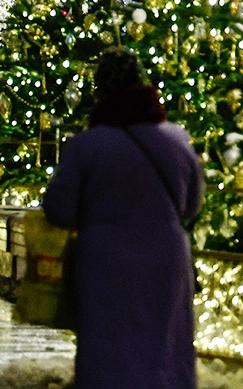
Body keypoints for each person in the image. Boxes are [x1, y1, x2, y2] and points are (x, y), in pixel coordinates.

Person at [42, 47, 204, 389]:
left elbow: (59, 209)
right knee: (165, 351)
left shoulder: (88, 145)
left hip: (107, 261)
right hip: (168, 258)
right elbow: (191, 205)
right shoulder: (176, 139)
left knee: (111, 353)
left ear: (101, 90)